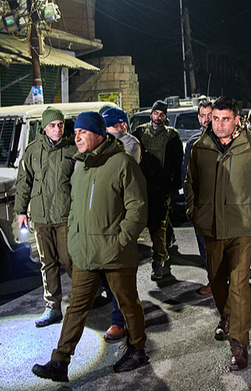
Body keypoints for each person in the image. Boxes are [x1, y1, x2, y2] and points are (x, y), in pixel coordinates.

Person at [32, 112, 149, 382]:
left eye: (83, 132)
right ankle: (59, 361)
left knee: (128, 304)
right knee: (75, 308)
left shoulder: (122, 163)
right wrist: (74, 238)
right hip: (85, 253)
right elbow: (74, 207)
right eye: (76, 133)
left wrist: (121, 241)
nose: (77, 136)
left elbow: (138, 207)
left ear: (99, 134)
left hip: (115, 254)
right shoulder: (81, 166)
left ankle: (137, 349)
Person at [185, 96, 251, 371]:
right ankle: (225, 315)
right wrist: (194, 210)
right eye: (215, 119)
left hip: (241, 229)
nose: (220, 125)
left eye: (225, 119)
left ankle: (239, 342)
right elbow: (191, 182)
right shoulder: (200, 148)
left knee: (238, 285)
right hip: (210, 228)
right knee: (216, 279)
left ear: (236, 119)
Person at [14, 107, 76, 328]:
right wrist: (21, 211)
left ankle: (83, 301)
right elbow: (24, 182)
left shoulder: (72, 149)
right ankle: (53, 307)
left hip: (64, 215)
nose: (57, 129)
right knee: (47, 262)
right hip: (41, 216)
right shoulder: (32, 151)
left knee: (70, 260)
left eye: (60, 125)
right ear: (44, 127)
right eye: (52, 125)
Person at [98, 107, 144, 341]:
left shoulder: (129, 144)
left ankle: (120, 321)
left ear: (122, 125)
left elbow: (119, 173)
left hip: (120, 217)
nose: (106, 131)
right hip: (100, 218)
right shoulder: (99, 145)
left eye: (109, 126)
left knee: (120, 271)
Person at [133, 100, 184, 281]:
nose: (158, 117)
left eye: (162, 114)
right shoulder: (139, 132)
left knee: (158, 224)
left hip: (161, 187)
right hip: (140, 187)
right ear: (151, 114)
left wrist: (175, 186)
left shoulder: (171, 136)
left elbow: (177, 163)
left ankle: (158, 261)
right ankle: (168, 236)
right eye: (156, 113)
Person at [181, 99, 214, 295]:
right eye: (203, 115)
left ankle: (225, 281)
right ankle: (214, 281)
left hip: (221, 206)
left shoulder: (226, 141)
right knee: (204, 247)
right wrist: (190, 204)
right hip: (200, 206)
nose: (206, 119)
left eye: (210, 115)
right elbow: (186, 176)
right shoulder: (192, 143)